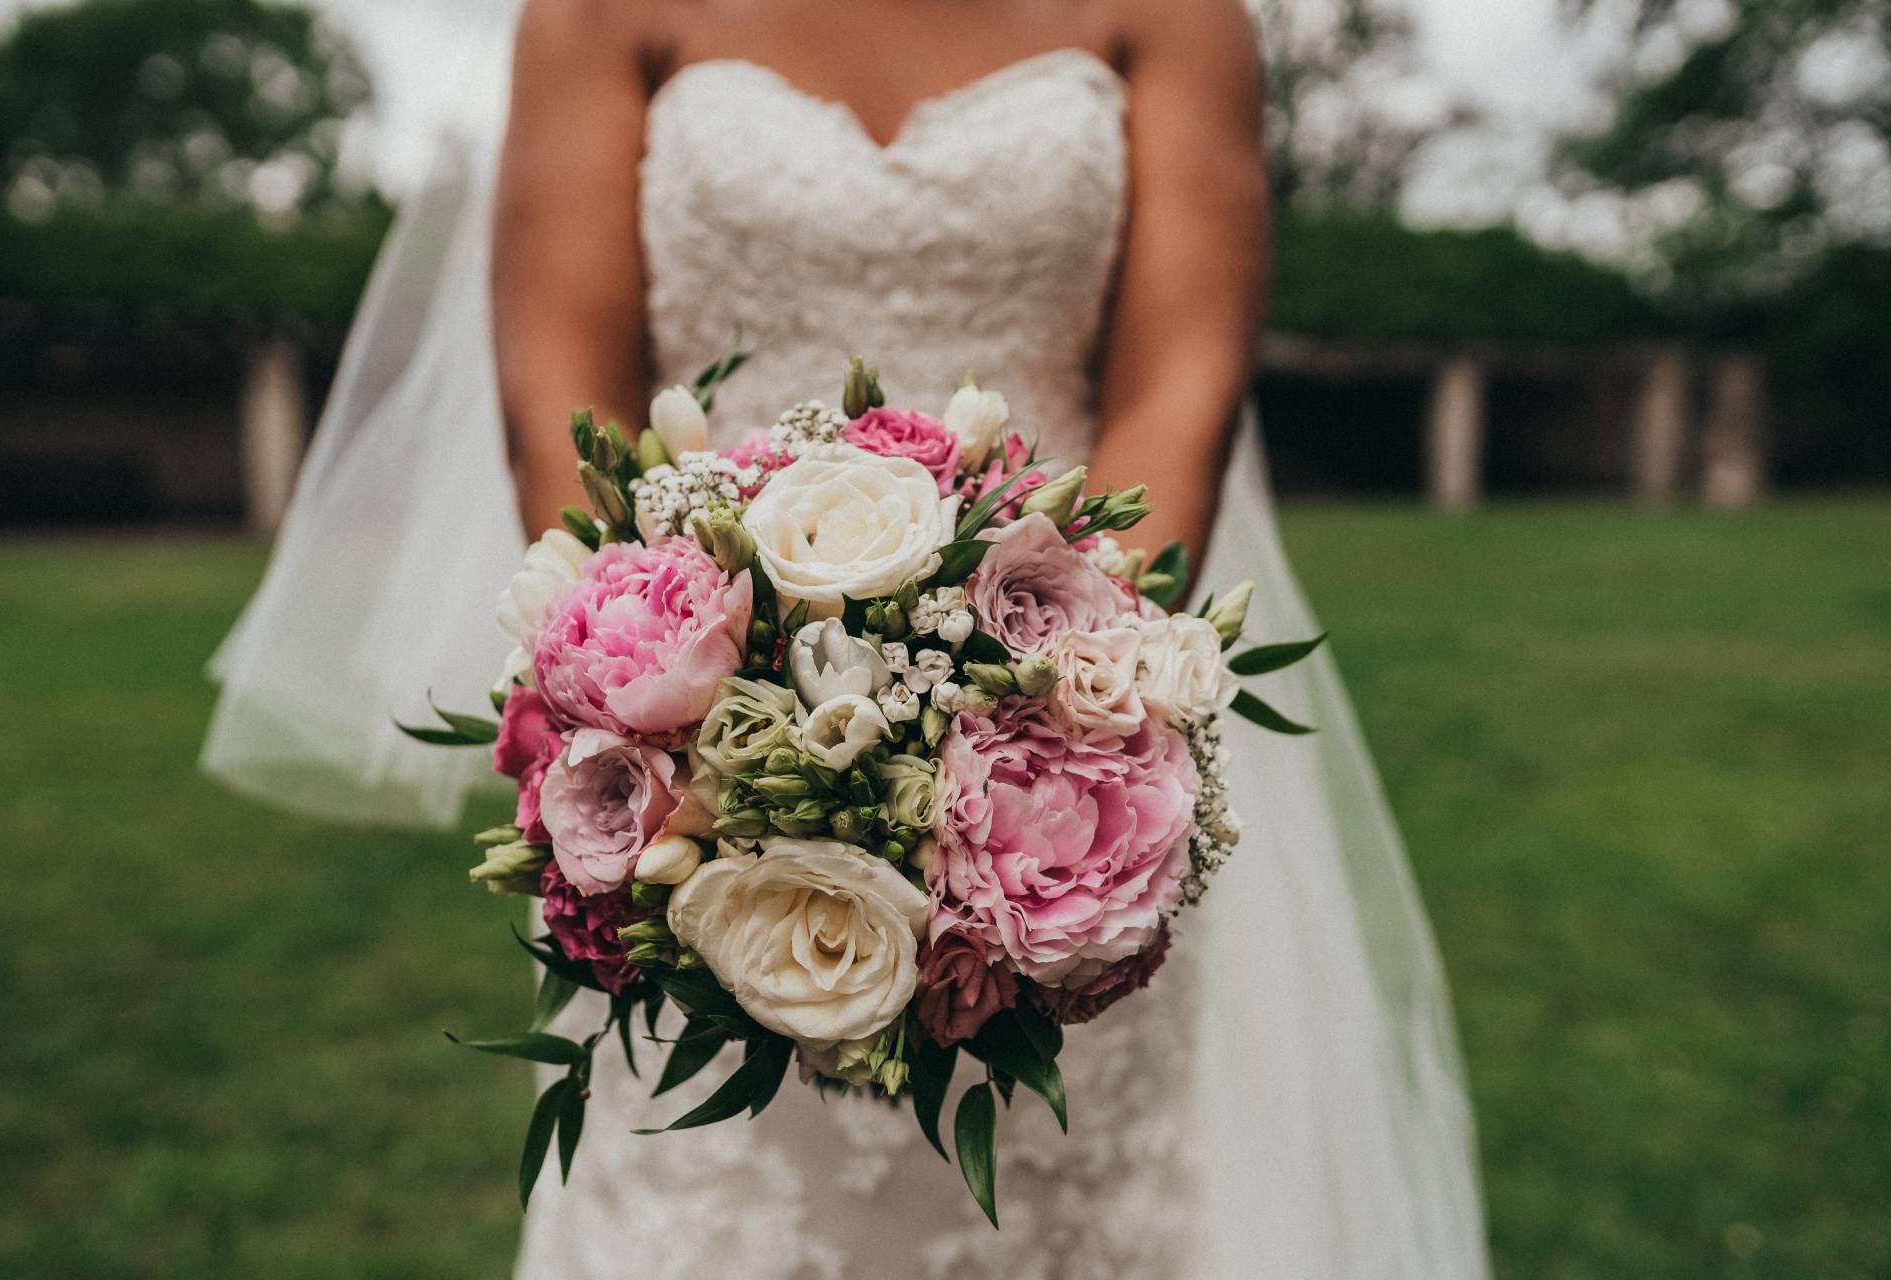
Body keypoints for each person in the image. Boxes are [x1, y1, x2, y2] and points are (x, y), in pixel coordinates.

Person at [205, 0, 1491, 1274]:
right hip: (700, 773)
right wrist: (688, 739)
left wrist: (1051, 712)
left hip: (1065, 757)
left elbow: (1179, 391)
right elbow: (561, 404)